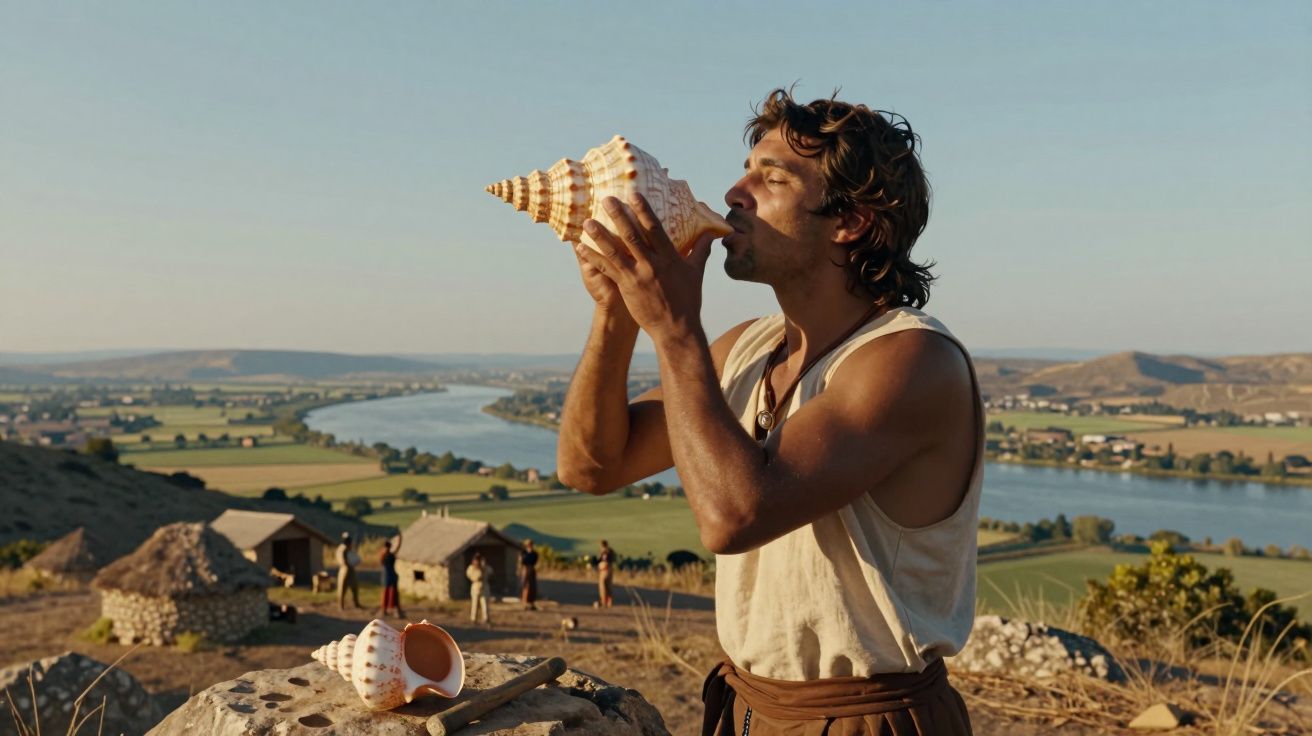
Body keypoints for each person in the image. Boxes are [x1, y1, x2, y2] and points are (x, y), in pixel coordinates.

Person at [557, 89, 979, 735]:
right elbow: (592, 465)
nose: (734, 192)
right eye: (746, 168)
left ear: (851, 222)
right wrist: (615, 311)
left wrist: (674, 330)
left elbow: (734, 517)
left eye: (770, 177)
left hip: (872, 722)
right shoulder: (746, 347)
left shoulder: (911, 361)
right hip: (749, 709)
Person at [376, 533, 406, 619]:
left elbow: (397, 548)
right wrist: (399, 540)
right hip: (388, 575)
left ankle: (394, 610)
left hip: (390, 574)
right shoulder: (384, 555)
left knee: (393, 593)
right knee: (387, 593)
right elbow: (397, 548)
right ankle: (385, 610)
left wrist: (399, 540)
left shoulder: (387, 554)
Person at [335, 532, 362, 610]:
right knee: (342, 588)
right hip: (344, 570)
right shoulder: (342, 549)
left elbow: (355, 558)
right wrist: (346, 563)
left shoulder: (350, 548)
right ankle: (341, 605)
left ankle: (356, 603)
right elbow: (342, 560)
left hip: (351, 569)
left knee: (355, 587)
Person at [465, 552, 492, 625]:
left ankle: (486, 619)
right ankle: (473, 619)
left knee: (484, 604)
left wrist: (483, 567)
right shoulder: (471, 568)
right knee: (474, 603)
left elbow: (490, 572)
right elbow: (469, 575)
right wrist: (476, 569)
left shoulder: (485, 567)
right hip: (475, 585)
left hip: (484, 586)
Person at [518, 539, 538, 610]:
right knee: (525, 586)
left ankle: (532, 603)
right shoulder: (523, 553)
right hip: (525, 570)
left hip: (531, 569)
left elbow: (535, 561)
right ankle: (525, 603)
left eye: (531, 544)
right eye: (529, 544)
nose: (530, 546)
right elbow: (522, 561)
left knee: (532, 587)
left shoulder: (534, 553)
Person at [596, 539, 615, 608]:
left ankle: (604, 602)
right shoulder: (611, 550)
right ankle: (609, 602)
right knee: (609, 586)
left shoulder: (605, 551)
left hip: (604, 570)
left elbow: (604, 558)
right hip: (610, 569)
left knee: (602, 586)